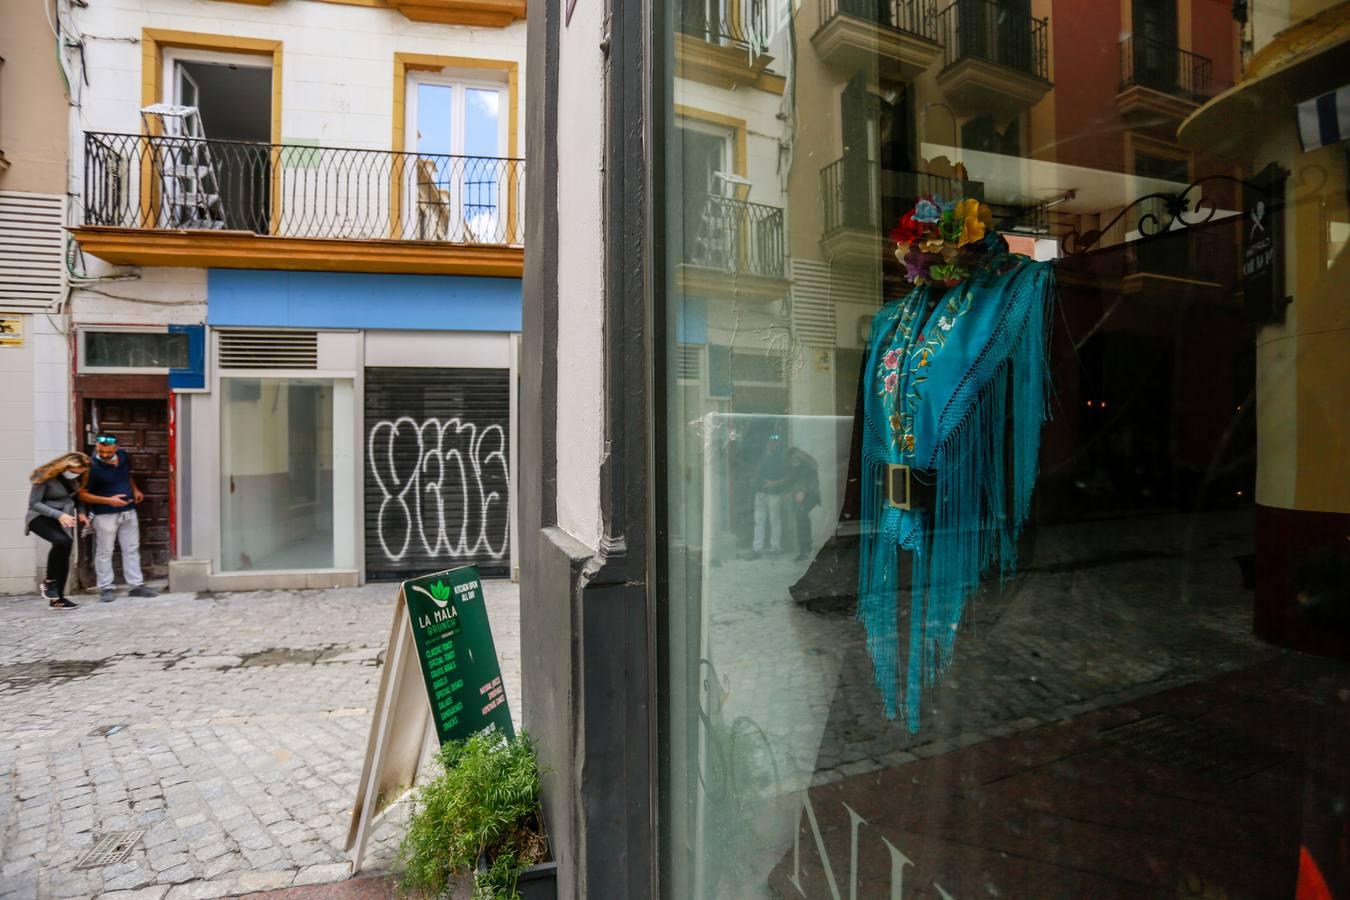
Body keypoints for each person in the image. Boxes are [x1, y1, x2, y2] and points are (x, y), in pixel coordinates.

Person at [78, 434, 158, 602]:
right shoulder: (90, 466)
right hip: (104, 513)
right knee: (105, 551)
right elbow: (82, 495)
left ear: (116, 448)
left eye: (108, 452)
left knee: (131, 548)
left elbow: (126, 475)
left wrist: (135, 490)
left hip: (128, 510)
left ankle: (136, 585)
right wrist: (109, 500)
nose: (104, 455)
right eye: (100, 451)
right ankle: (106, 587)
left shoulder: (122, 456)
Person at [26, 452, 91, 610]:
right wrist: (59, 514)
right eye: (74, 472)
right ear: (65, 466)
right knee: (61, 541)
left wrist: (81, 513)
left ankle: (57, 599)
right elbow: (34, 503)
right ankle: (49, 582)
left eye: (80, 472)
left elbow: (76, 498)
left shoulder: (78, 478)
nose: (76, 475)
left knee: (65, 548)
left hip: (64, 517)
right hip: (40, 517)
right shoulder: (44, 475)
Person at [749, 432, 791, 559]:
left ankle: (775, 548)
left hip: (774, 494)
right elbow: (754, 473)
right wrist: (754, 486)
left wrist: (775, 483)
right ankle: (757, 549)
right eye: (771, 441)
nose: (773, 443)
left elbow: (788, 477)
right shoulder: (760, 457)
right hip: (760, 494)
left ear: (778, 444)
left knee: (775, 522)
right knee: (759, 522)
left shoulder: (781, 459)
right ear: (767, 442)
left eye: (775, 441)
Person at [787, 447, 821, 562]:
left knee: (801, 520)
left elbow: (806, 479)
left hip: (807, 496)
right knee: (802, 520)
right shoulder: (805, 462)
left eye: (794, 458)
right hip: (806, 495)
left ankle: (805, 550)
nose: (794, 460)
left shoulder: (803, 463)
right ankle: (806, 549)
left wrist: (802, 491)